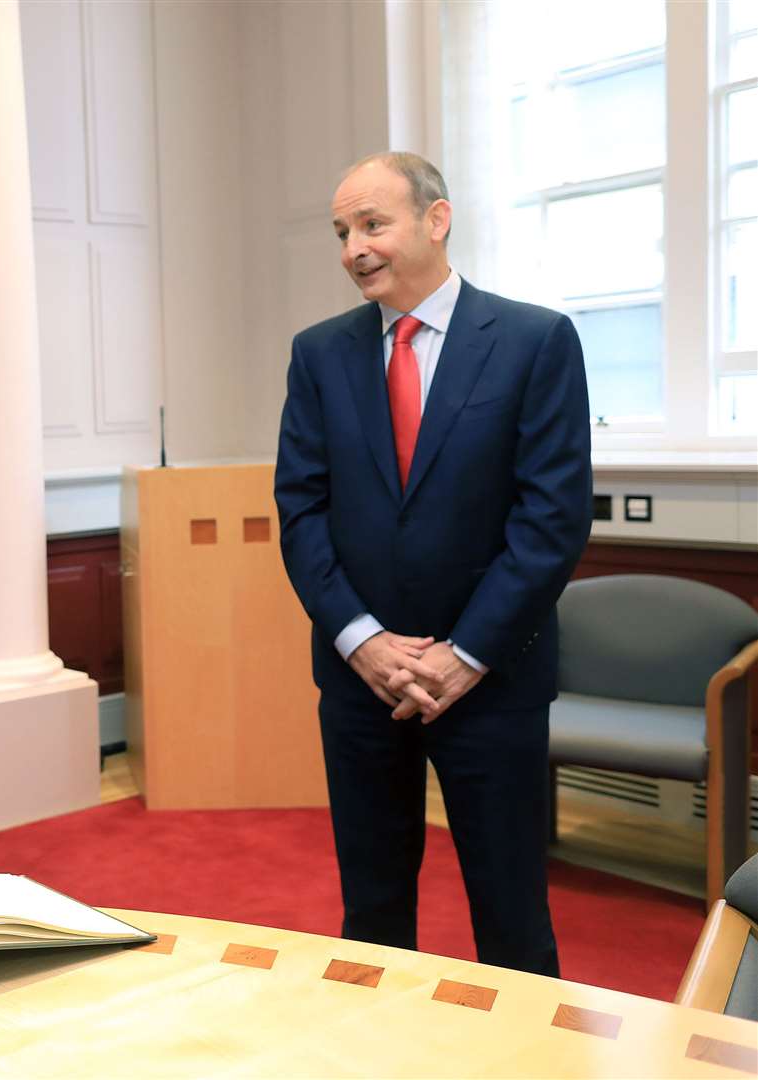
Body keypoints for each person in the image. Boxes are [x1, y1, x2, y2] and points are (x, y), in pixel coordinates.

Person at [273, 152, 591, 976]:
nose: (353, 248)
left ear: (435, 220)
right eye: (342, 232)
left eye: (372, 224)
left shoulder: (533, 340)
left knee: (511, 916)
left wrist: (464, 654)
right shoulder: (318, 354)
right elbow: (300, 513)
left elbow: (549, 520)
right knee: (372, 910)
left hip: (492, 683)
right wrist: (362, 641)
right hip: (359, 685)